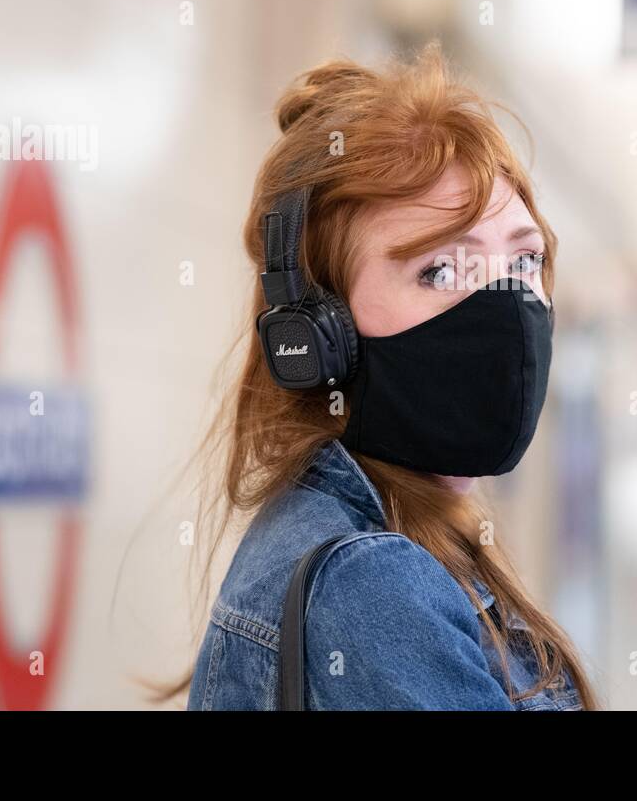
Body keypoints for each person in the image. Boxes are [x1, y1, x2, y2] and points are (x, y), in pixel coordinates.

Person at [168, 42, 597, 709]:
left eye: (524, 260)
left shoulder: (367, 536)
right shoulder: (369, 582)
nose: (506, 307)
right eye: (440, 270)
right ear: (318, 334)